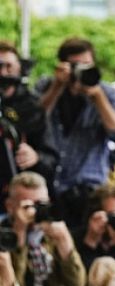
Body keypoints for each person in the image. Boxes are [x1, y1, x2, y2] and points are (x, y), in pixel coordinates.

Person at [36, 37, 115, 227]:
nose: (81, 71)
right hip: (50, 184)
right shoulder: (48, 85)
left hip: (89, 187)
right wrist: (57, 87)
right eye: (76, 66)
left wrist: (97, 96)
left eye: (87, 65)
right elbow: (34, 121)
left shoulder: (107, 92)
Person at [0, 41, 59, 196]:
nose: (3, 73)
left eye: (9, 66)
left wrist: (35, 157)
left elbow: (51, 159)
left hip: (19, 192)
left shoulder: (32, 107)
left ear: (19, 68)